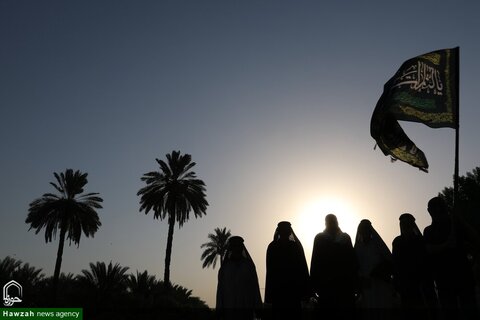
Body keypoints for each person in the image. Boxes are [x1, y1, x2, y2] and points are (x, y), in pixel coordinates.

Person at [423, 197, 478, 320]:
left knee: (470, 313)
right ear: (429, 211)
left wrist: (460, 220)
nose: (437, 211)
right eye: (434, 208)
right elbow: (429, 249)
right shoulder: (428, 231)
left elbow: (475, 239)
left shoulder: (456, 223)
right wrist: (447, 244)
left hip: (463, 276)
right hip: (444, 281)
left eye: (439, 207)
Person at [310, 214, 358, 319]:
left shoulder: (345, 238)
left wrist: (354, 283)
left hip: (344, 286)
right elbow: (315, 262)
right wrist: (314, 285)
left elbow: (352, 262)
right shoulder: (319, 238)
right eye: (330, 221)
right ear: (326, 223)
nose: (332, 223)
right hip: (326, 286)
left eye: (334, 220)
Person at [392, 213, 437, 319]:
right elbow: (395, 262)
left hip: (423, 284)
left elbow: (427, 260)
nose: (405, 226)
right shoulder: (397, 241)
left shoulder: (420, 240)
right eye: (403, 224)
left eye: (408, 223)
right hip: (406, 285)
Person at [265, 221, 310, 320]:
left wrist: (305, 292)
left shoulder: (295, 247)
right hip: (279, 292)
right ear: (279, 232)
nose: (285, 233)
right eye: (283, 231)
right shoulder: (272, 247)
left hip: (293, 291)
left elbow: (302, 269)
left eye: (286, 231)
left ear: (289, 232)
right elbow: (270, 273)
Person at [354, 219, 396, 319]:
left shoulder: (377, 244)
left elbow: (388, 260)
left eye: (366, 229)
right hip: (366, 286)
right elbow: (355, 266)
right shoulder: (357, 248)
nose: (365, 231)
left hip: (381, 285)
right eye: (363, 229)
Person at [216, 236, 263, 320]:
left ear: (242, 248)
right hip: (229, 309)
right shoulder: (225, 268)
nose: (237, 249)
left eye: (238, 246)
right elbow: (220, 290)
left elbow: (255, 287)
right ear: (231, 249)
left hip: (246, 308)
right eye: (234, 246)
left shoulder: (249, 266)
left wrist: (258, 307)